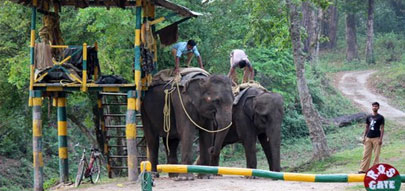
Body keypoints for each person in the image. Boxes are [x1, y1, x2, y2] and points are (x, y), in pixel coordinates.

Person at [358, 102, 385, 173]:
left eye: (376, 106)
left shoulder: (380, 117)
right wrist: (364, 137)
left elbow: (382, 128)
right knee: (366, 154)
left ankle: (375, 170)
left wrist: (381, 139)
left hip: (376, 138)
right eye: (373, 106)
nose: (374, 107)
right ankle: (363, 169)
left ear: (378, 107)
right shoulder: (368, 117)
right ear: (371, 107)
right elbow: (366, 127)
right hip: (368, 138)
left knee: (376, 155)